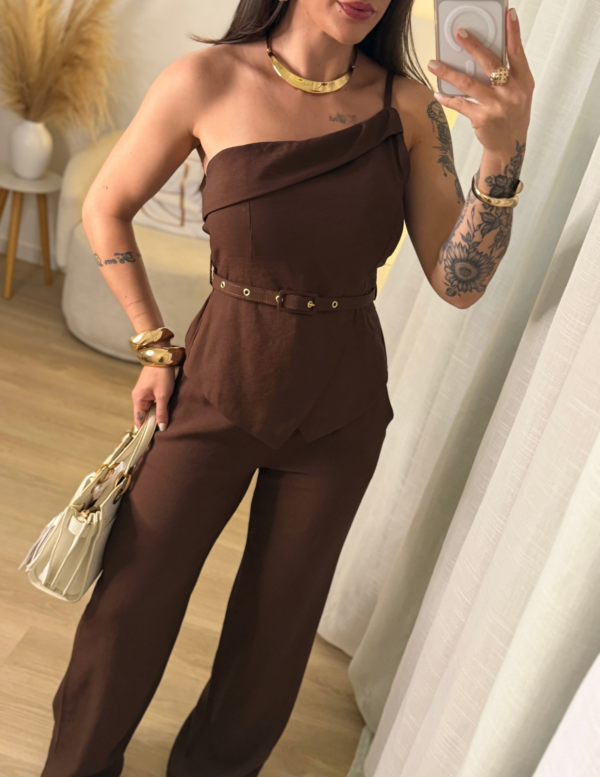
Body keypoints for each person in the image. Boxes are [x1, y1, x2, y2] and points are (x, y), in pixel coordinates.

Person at [41, 1, 534, 775]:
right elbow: (106, 206)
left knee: (275, 636)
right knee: (131, 602)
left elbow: (458, 282)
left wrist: (502, 156)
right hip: (215, 380)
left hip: (341, 407)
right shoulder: (205, 79)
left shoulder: (408, 108)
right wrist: (152, 345)